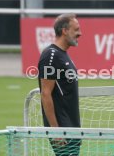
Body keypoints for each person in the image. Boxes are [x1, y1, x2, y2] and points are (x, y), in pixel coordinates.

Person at [38, 13, 82, 156]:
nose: (80, 34)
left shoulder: (63, 54)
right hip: (62, 128)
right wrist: (55, 130)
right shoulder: (50, 55)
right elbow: (45, 94)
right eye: (76, 29)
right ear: (64, 31)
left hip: (72, 126)